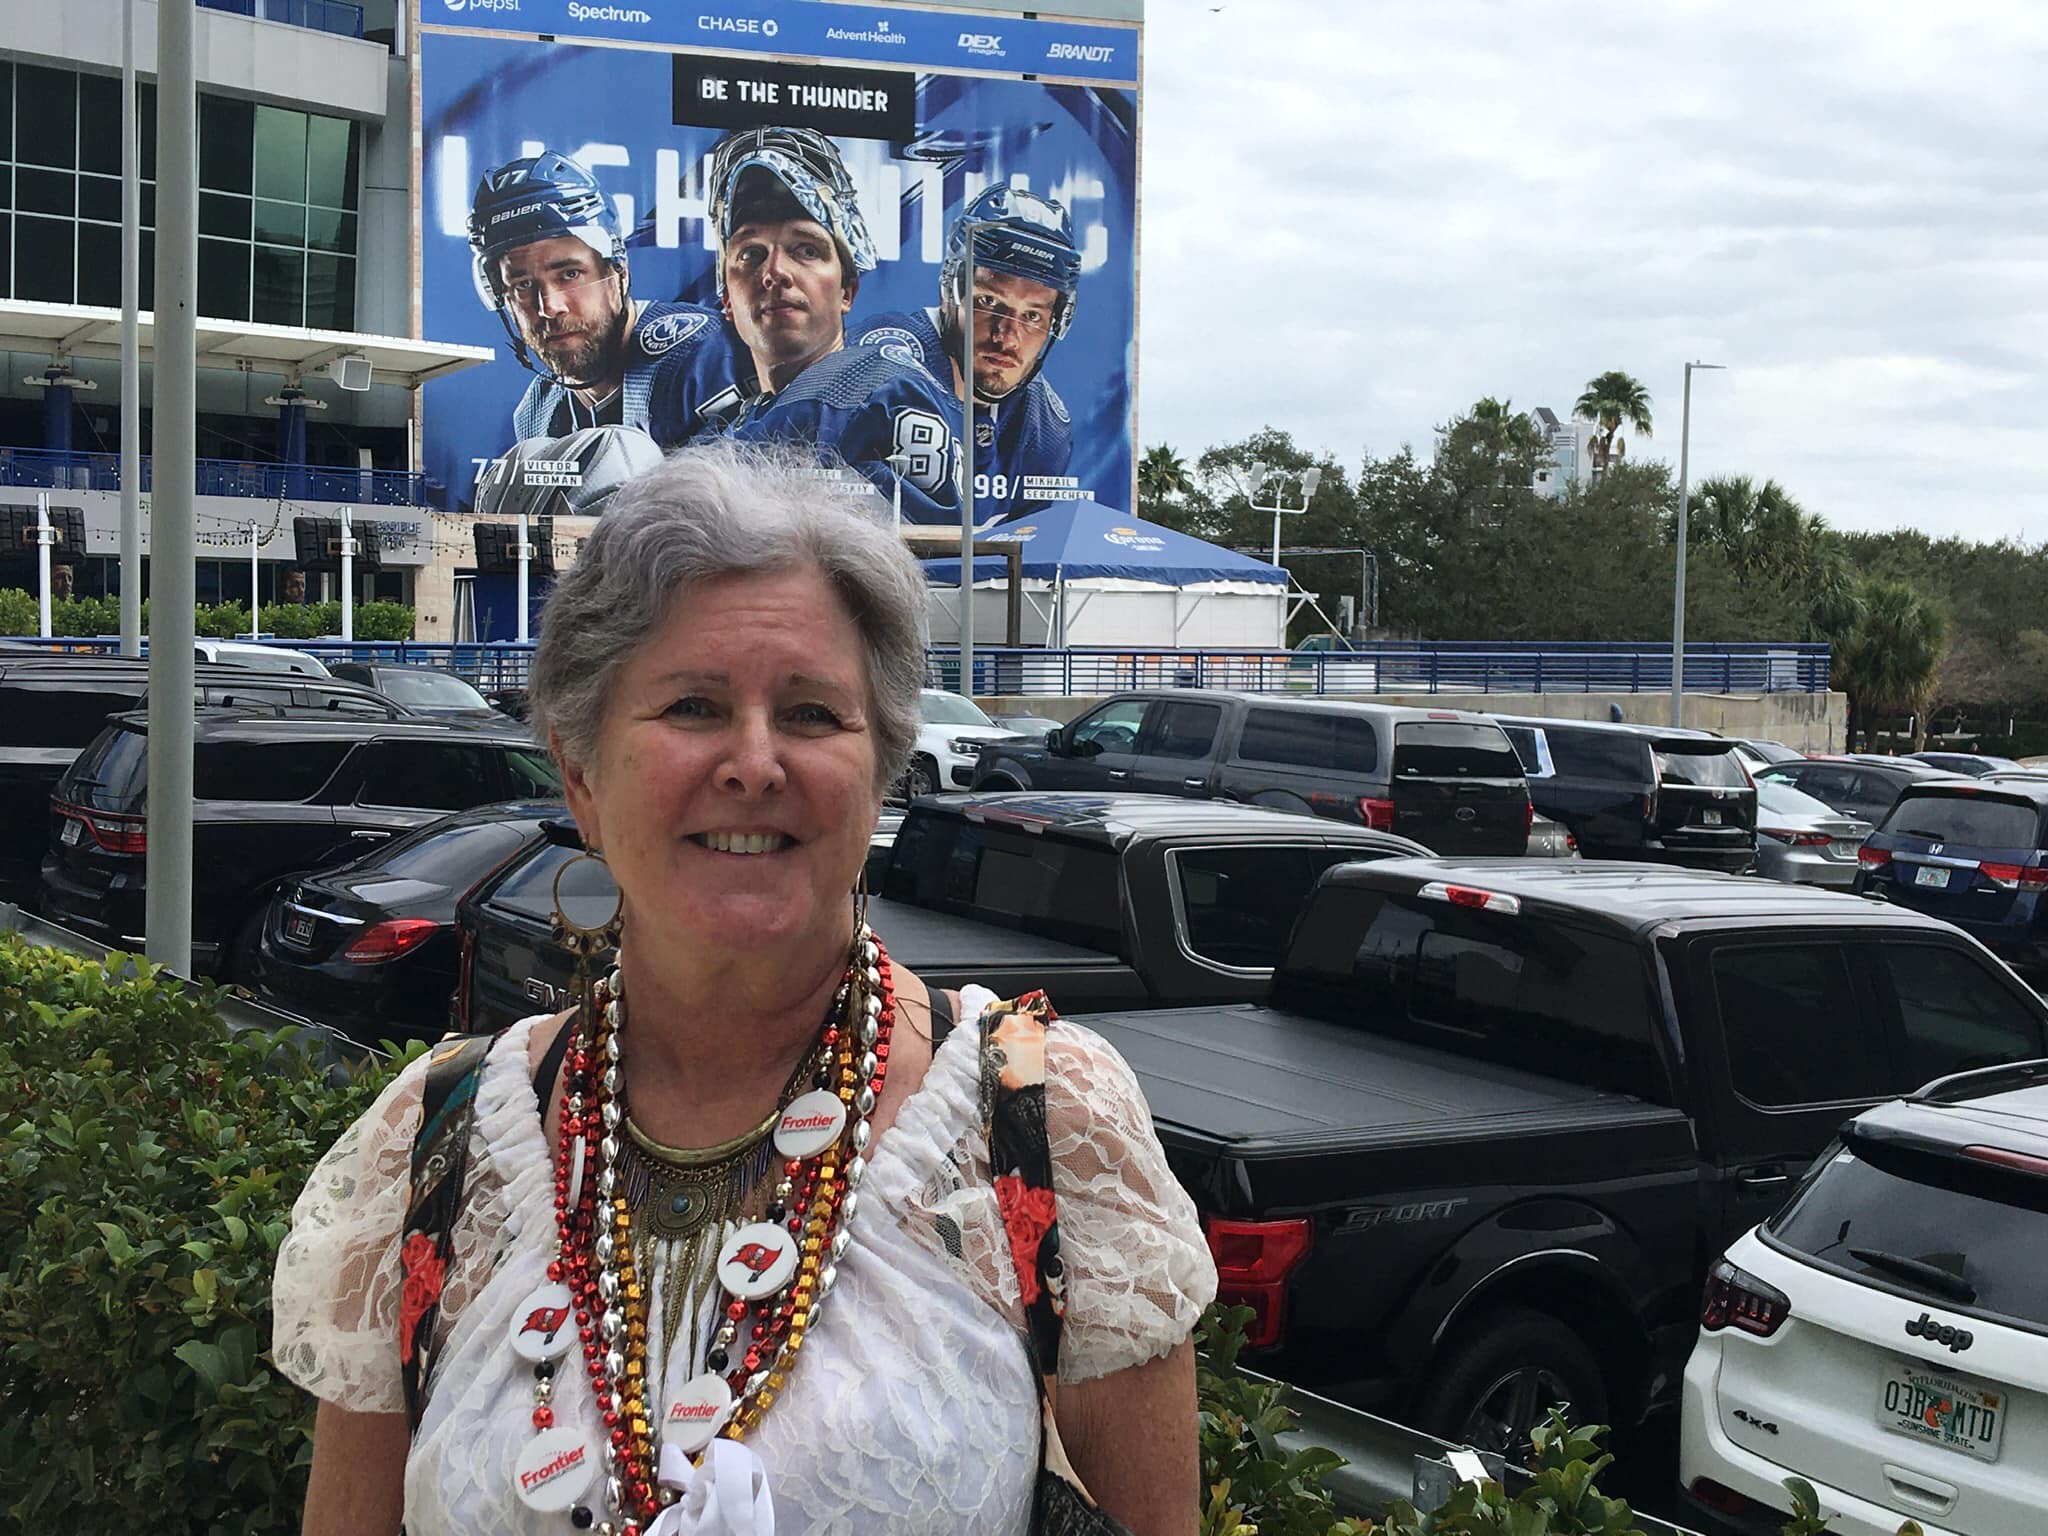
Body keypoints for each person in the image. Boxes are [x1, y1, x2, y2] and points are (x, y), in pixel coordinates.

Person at [274, 441, 1213, 1536]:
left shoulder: (1042, 1120)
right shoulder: (434, 1145)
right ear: (579, 776)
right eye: (691, 707)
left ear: (881, 772)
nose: (754, 762)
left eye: (813, 714)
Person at [698, 127, 964, 525]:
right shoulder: (724, 428)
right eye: (751, 254)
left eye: (806, 250)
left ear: (847, 291)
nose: (775, 272)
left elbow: (932, 569)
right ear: (726, 301)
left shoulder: (883, 388)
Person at [469, 150, 748, 451]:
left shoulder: (702, 357)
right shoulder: (537, 411)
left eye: (570, 274)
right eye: (523, 285)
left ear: (618, 271)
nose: (549, 306)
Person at [853, 185, 1082, 523]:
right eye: (988, 302)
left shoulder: (1044, 426)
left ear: (1056, 321)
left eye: (1032, 316)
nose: (1007, 338)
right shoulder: (879, 365)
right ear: (949, 290)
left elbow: (1023, 553)